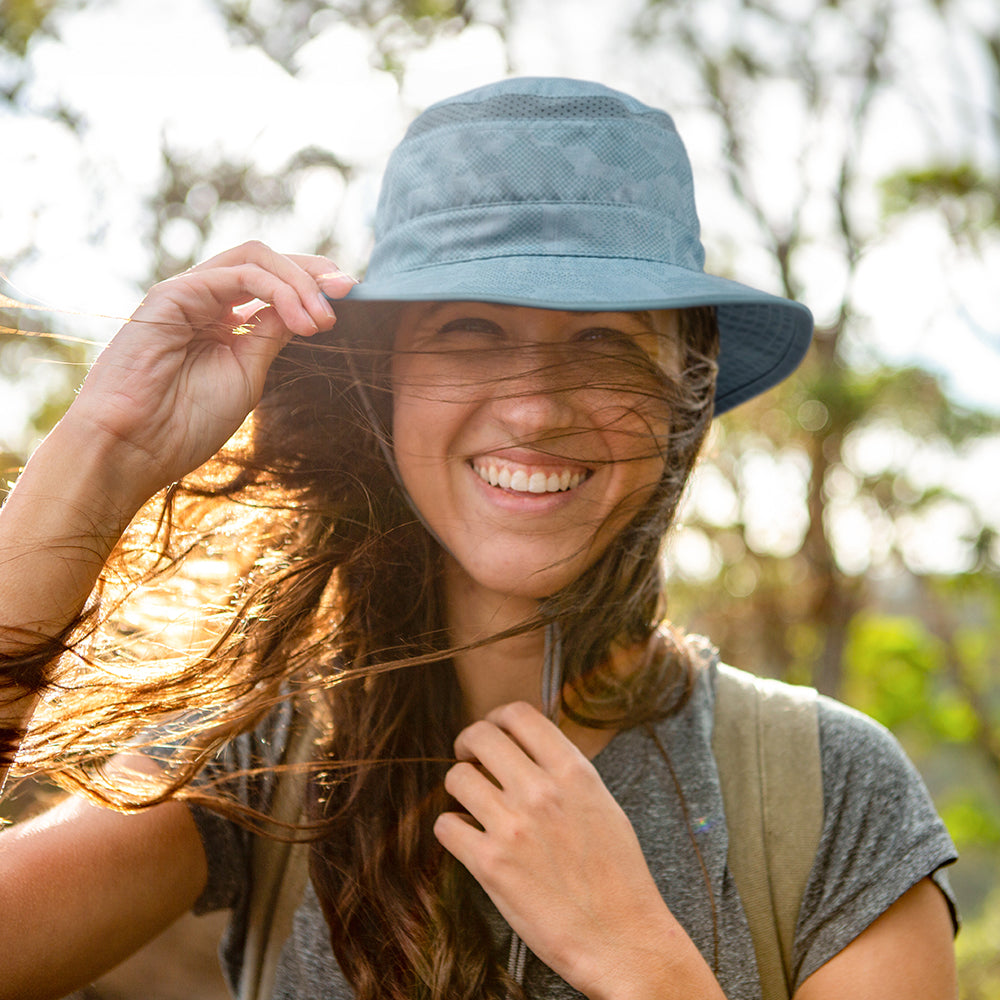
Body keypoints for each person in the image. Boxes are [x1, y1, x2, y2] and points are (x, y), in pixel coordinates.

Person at [0, 77, 957, 1000]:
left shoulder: (828, 788)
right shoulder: (278, 753)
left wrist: (638, 959)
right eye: (471, 331)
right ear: (386, 386)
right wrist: (102, 449)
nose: (536, 410)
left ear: (683, 396)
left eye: (605, 343)